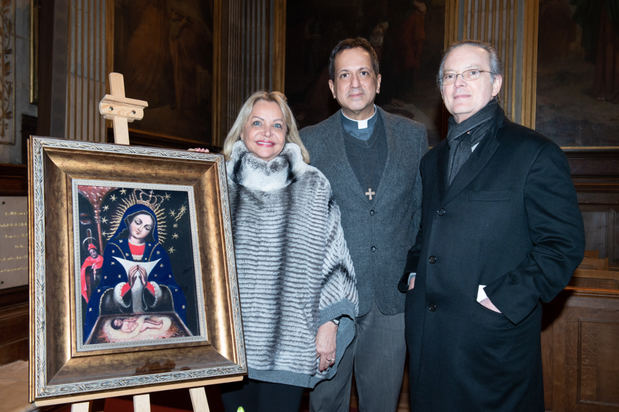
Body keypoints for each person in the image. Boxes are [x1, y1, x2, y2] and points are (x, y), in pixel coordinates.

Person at [399, 40, 585, 411]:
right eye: (450, 76)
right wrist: (413, 273)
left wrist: (502, 299)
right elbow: (428, 229)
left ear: (496, 83)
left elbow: (563, 245)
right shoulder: (432, 161)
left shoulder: (533, 153)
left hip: (490, 341)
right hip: (429, 340)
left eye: (472, 73)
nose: (459, 83)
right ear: (441, 89)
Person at [300, 37, 427, 412]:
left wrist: (415, 268)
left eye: (363, 73)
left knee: (382, 404)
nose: (354, 83)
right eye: (344, 75)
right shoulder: (309, 142)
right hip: (330, 305)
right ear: (331, 87)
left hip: (392, 301)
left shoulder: (413, 136)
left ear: (378, 80)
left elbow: (422, 211)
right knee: (325, 402)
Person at [211, 90, 358, 412]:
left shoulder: (314, 185)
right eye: (258, 123)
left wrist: (329, 325)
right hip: (231, 343)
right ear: (242, 130)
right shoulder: (216, 182)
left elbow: (335, 262)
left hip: (290, 342)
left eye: (277, 125)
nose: (267, 133)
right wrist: (187, 172)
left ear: (287, 133)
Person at [84, 204, 188, 342]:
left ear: (151, 231)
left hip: (152, 314)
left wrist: (150, 286)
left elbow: (171, 287)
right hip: (122, 316)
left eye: (147, 227)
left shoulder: (157, 251)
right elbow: (106, 286)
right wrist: (127, 286)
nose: (140, 229)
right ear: (129, 221)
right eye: (138, 222)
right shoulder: (113, 248)